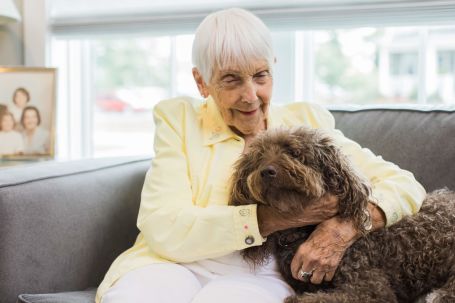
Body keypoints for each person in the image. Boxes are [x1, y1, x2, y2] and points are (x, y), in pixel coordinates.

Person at [96, 8, 425, 303]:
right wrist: (272, 219)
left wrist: (345, 226)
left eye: (260, 75)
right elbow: (162, 225)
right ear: (202, 82)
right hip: (170, 263)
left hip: (261, 275)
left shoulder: (308, 122)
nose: (250, 96)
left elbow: (404, 184)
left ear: (273, 68)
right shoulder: (179, 120)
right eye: (231, 79)